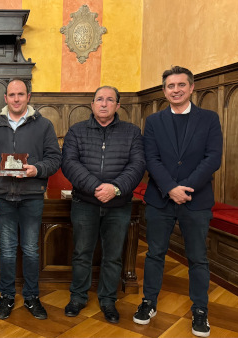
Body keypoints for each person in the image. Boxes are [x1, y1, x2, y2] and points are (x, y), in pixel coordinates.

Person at [133, 66, 223, 337]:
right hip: (161, 199)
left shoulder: (209, 119)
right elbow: (151, 158)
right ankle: (149, 302)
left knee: (197, 258)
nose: (176, 90)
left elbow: (213, 158)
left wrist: (186, 188)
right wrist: (171, 188)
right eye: (170, 86)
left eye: (181, 85)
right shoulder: (154, 121)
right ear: (164, 91)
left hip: (196, 201)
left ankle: (200, 310)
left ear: (191, 87)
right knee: (154, 254)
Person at [0, 79, 61, 320]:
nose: (16, 99)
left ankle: (32, 296)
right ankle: (6, 296)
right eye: (12, 95)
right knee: (6, 250)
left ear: (28, 96)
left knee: (31, 250)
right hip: (3, 198)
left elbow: (55, 159)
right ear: (5, 98)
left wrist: (38, 169)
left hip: (31, 197)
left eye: (20, 94)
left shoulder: (44, 125)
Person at [61, 86, 145, 323]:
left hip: (119, 204)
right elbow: (69, 163)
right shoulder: (76, 131)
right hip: (84, 202)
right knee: (81, 253)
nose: (104, 104)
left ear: (118, 105)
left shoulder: (132, 132)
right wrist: (97, 187)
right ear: (92, 104)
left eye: (110, 100)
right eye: (100, 99)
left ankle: (108, 300)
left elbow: (137, 165)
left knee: (113, 256)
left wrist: (115, 188)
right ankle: (77, 297)